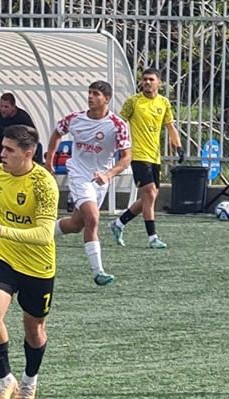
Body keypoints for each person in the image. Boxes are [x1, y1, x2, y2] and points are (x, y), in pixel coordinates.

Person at [0, 124, 58, 399]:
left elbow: (45, 235)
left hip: (37, 264)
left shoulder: (44, 184)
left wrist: (3, 231)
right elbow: (2, 209)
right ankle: (5, 380)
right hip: (4, 255)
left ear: (28, 154)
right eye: (2, 148)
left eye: (9, 150)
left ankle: (29, 381)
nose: (2, 154)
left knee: (34, 330)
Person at [46, 81, 132, 286]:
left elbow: (126, 158)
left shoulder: (117, 125)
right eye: (90, 93)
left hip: (100, 179)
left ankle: (41, 235)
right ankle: (98, 272)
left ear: (107, 99)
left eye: (96, 94)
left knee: (76, 225)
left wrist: (108, 175)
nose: (90, 97)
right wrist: (49, 160)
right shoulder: (75, 118)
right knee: (93, 218)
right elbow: (57, 132)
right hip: (79, 174)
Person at [109, 68, 183, 249]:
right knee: (149, 194)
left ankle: (118, 223)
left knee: (148, 199)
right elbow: (119, 124)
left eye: (151, 79)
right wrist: (120, 147)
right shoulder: (133, 102)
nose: (147, 82)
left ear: (159, 83)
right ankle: (152, 238)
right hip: (138, 155)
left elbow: (170, 127)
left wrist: (179, 147)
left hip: (154, 157)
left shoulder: (164, 103)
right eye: (145, 79)